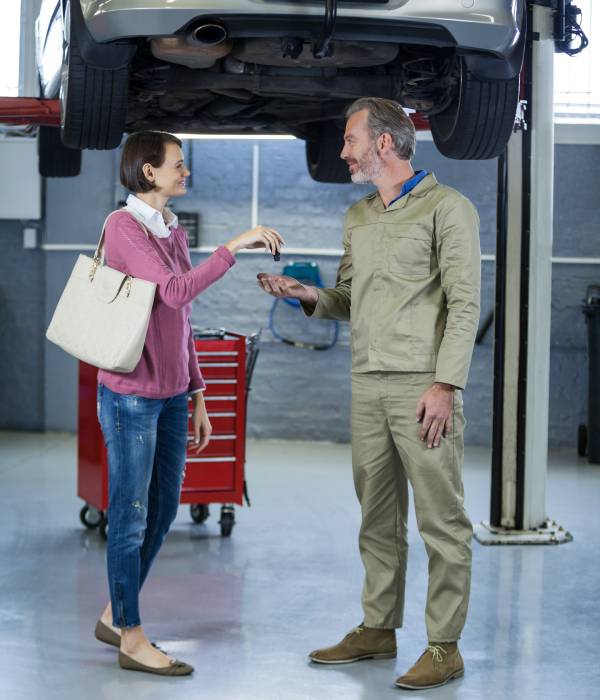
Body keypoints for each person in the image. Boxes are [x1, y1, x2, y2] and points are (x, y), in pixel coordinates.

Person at [257, 97, 480, 690]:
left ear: (385, 143)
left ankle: (444, 645)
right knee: (376, 517)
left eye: (351, 140)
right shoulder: (358, 216)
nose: (343, 151)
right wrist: (305, 296)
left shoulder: (449, 209)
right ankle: (378, 628)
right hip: (368, 383)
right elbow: (348, 299)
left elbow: (464, 305)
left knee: (442, 521)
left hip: (422, 388)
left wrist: (445, 383)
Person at [94, 130, 283, 676]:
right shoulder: (122, 226)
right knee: (129, 516)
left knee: (162, 510)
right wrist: (235, 245)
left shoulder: (170, 229)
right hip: (130, 397)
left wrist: (198, 392)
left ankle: (114, 613)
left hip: (173, 395)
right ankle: (131, 637)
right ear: (148, 171)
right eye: (178, 164)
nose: (187, 171)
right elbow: (175, 292)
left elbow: (181, 321)